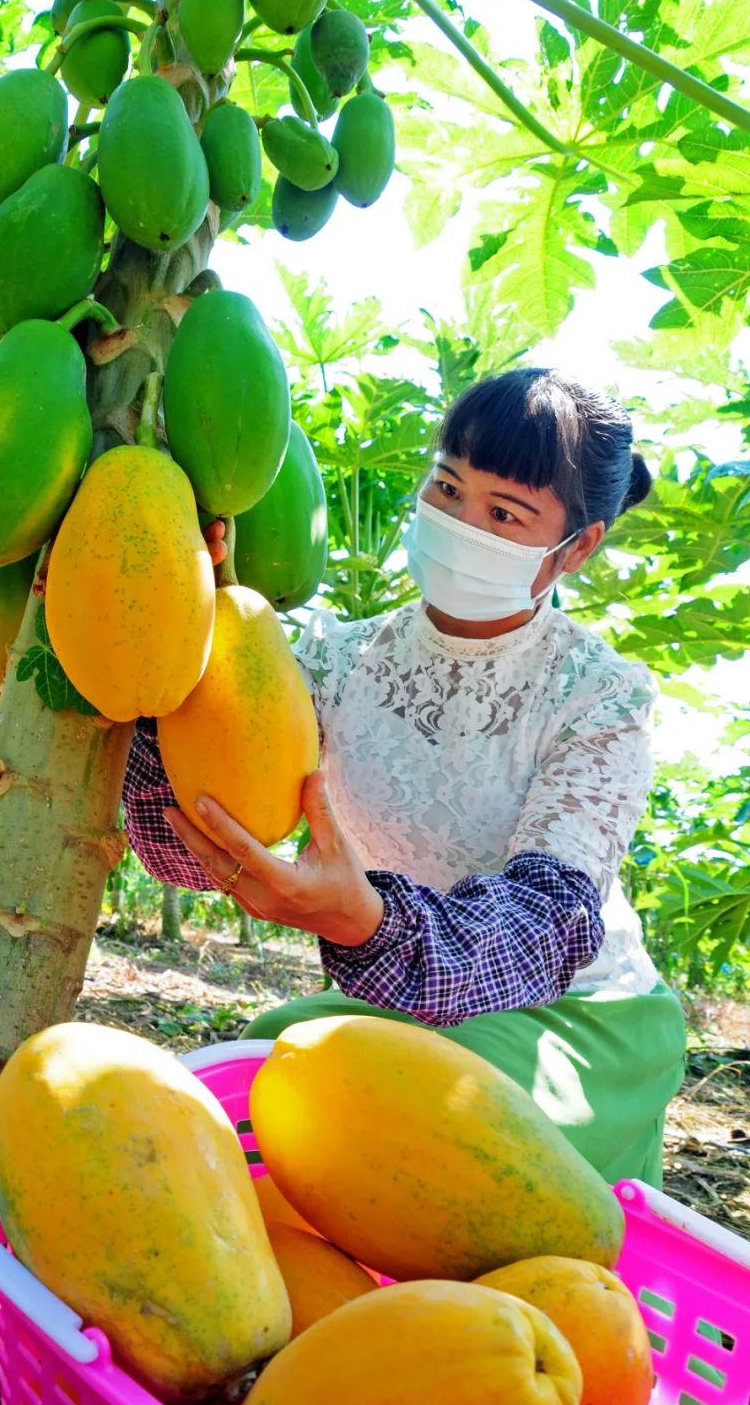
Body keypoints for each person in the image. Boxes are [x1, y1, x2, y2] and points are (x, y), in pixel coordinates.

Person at [121, 368, 686, 1187]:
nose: (460, 521)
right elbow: (188, 846)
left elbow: (548, 918)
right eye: (449, 487)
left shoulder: (598, 695)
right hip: (404, 1006)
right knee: (237, 1094)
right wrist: (171, 653)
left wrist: (372, 925)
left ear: (578, 546)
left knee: (423, 1155)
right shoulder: (332, 662)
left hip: (577, 1017)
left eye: (503, 514)